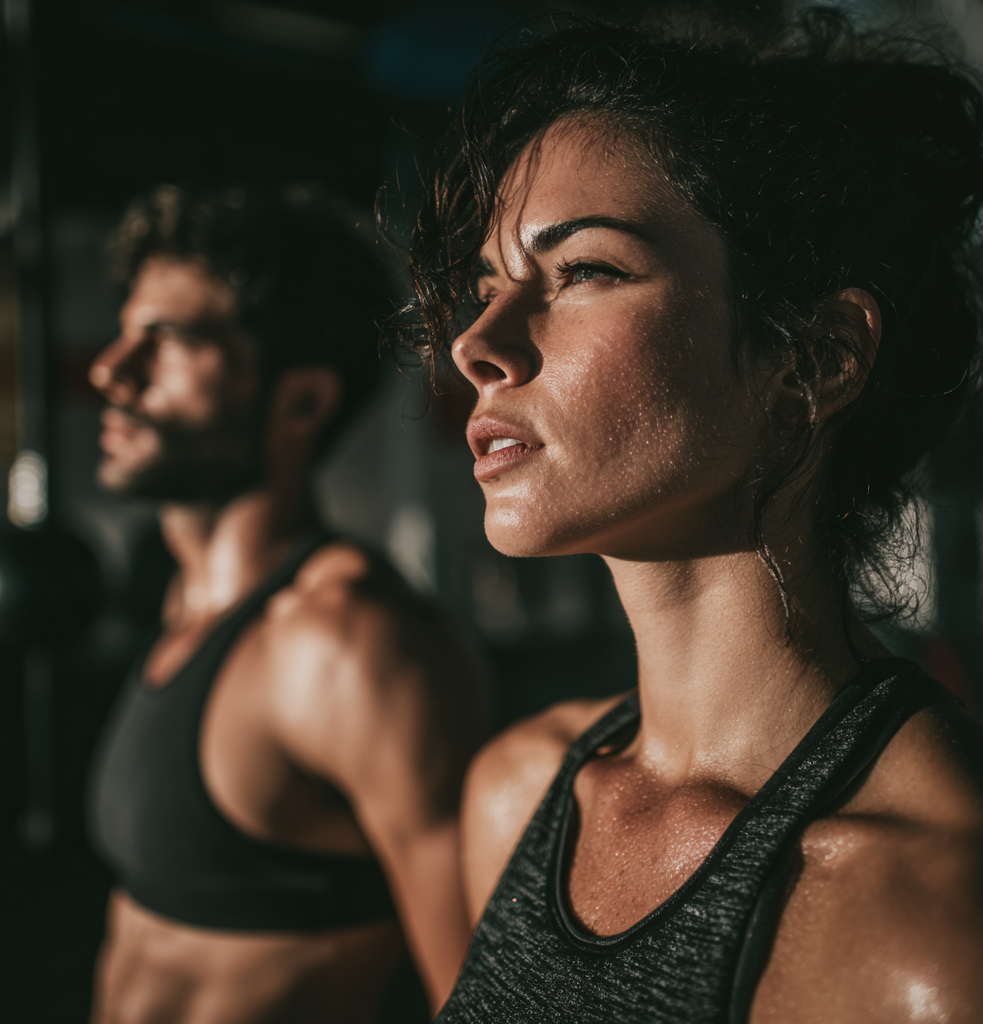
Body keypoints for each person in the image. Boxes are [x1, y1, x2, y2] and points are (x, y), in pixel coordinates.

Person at [396, 9, 983, 1023]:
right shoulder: (520, 793)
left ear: (814, 358)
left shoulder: (928, 918)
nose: (476, 343)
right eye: (487, 285)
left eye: (584, 270)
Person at [86, 185, 485, 1024]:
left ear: (301, 400)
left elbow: (485, 994)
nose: (110, 370)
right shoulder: (187, 603)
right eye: (125, 332)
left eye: (168, 342)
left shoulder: (349, 645)